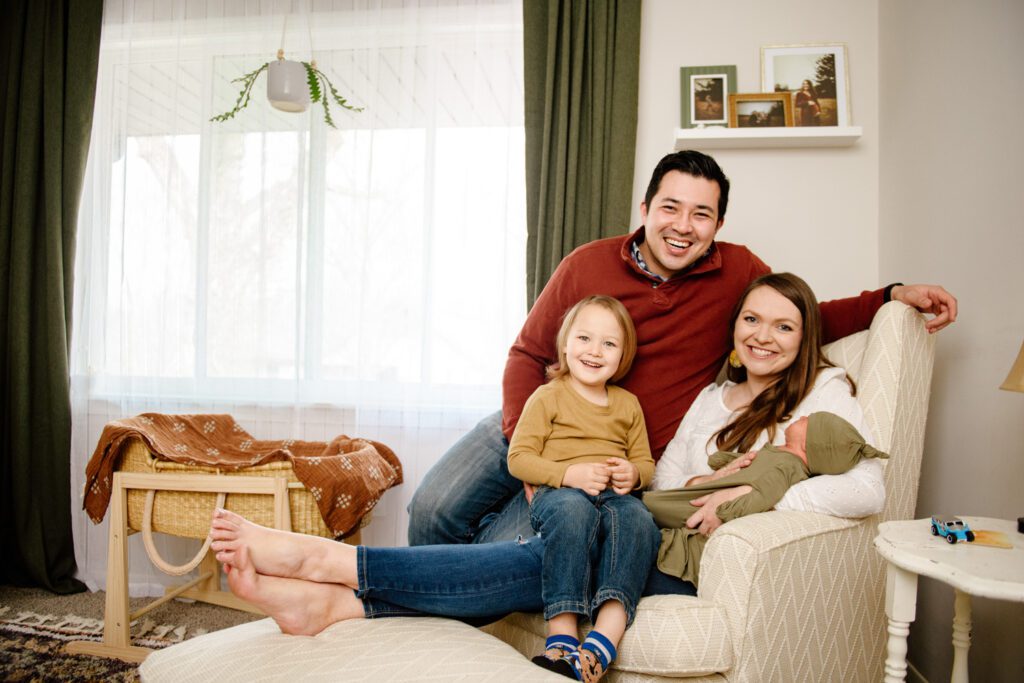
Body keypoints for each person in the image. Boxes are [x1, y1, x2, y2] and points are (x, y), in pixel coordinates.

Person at [208, 272, 885, 644]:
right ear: (734, 332)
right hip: (650, 533)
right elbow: (669, 477)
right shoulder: (714, 398)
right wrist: (692, 480)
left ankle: (330, 565)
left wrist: (753, 499)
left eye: (785, 325)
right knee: (545, 556)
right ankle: (338, 608)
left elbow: (870, 488)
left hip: (703, 560)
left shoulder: (827, 391)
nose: (765, 336)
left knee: (542, 558)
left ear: (807, 335)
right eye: (752, 321)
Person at [406, 149, 957, 549]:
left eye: (701, 215)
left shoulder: (738, 271)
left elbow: (802, 318)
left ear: (718, 224)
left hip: (610, 456)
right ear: (645, 207)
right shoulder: (586, 263)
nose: (682, 227)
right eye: (671, 208)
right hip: (534, 416)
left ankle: (454, 625)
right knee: (432, 513)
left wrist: (889, 295)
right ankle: (421, 628)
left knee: (501, 552)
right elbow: (527, 355)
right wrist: (525, 445)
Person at [507, 295, 658, 680]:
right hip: (561, 495)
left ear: (623, 355)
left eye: (609, 344)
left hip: (613, 497)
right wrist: (569, 475)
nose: (594, 351)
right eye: (584, 338)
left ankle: (603, 639)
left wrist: (633, 474)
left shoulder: (628, 404)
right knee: (573, 511)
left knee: (639, 519)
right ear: (565, 344)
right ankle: (562, 637)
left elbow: (645, 463)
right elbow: (519, 458)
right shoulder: (548, 395)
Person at [643, 411, 887, 588]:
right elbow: (725, 465)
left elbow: (760, 494)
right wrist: (726, 467)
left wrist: (725, 508)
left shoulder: (787, 466)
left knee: (643, 509)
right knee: (637, 510)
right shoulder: (777, 455)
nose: (803, 417)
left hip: (697, 513)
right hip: (696, 496)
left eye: (808, 421)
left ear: (809, 443)